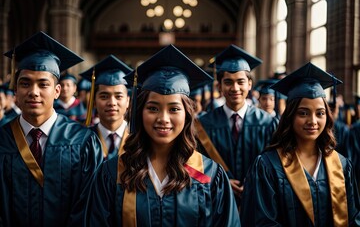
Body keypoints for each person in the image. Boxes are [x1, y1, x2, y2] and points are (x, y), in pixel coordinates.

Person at [85, 45, 241, 226]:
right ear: (140, 112)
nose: (163, 119)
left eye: (174, 109)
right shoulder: (112, 173)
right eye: (153, 108)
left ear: (187, 114)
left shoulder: (208, 175)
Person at [0, 31, 103, 226]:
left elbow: (89, 206)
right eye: (25, 83)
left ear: (57, 91)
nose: (33, 92)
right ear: (15, 90)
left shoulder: (82, 142)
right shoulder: (2, 140)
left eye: (43, 84)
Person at [240, 62, 360, 226]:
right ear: (290, 116)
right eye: (303, 113)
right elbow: (261, 222)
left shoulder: (341, 165)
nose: (313, 121)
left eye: (320, 113)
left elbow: (353, 218)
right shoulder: (268, 167)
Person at [196, 44, 278, 205]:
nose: (235, 88)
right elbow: (194, 168)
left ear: (249, 84)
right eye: (228, 82)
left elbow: (277, 166)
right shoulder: (203, 125)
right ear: (219, 86)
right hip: (217, 202)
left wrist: (255, 182)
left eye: (241, 82)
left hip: (259, 202)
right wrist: (219, 181)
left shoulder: (268, 123)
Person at [80, 55, 132, 160]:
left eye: (118, 96)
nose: (112, 103)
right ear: (94, 102)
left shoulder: (138, 139)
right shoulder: (81, 139)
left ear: (127, 101)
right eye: (104, 96)